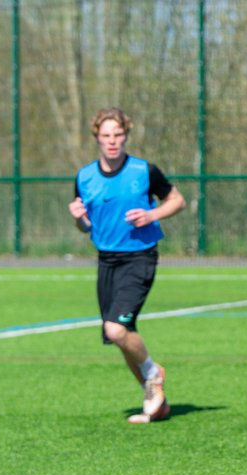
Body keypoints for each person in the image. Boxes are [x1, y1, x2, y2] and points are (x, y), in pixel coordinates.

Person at [67, 107, 186, 424]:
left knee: (116, 328)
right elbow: (86, 227)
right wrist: (79, 219)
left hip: (140, 256)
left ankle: (153, 373)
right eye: (106, 135)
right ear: (97, 137)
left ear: (126, 135)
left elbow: (177, 200)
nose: (112, 141)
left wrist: (151, 215)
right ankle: (156, 400)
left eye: (118, 135)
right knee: (122, 335)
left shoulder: (144, 171)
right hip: (107, 261)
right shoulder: (85, 177)